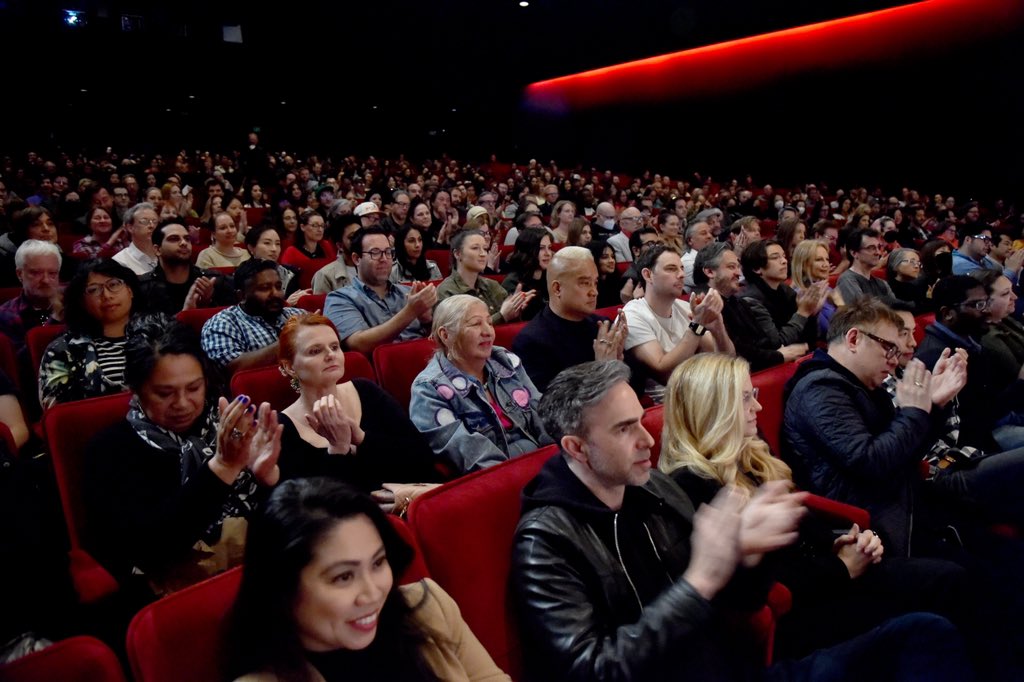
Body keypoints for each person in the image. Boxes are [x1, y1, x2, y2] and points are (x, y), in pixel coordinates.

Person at [512, 360, 972, 682]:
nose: (646, 439)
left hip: (735, 669)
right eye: (623, 428)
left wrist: (751, 557)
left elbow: (736, 605)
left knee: (925, 635)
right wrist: (700, 581)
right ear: (575, 448)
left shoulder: (653, 490)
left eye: (640, 421)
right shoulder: (545, 542)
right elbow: (597, 671)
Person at [659, 353, 969, 659]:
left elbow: (801, 527)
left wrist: (841, 542)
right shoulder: (693, 484)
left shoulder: (749, 456)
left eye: (752, 394)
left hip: (826, 579)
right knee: (939, 598)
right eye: (745, 399)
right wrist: (841, 566)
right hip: (799, 614)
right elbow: (759, 587)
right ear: (714, 410)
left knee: (950, 580)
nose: (758, 406)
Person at [224, 477, 511, 681]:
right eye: (344, 577)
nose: (373, 593)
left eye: (378, 562)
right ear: (281, 588)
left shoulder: (428, 607)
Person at [84, 322, 281, 593]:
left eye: (194, 388)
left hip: (261, 569)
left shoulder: (229, 424)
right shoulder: (109, 449)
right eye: (165, 393)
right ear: (136, 389)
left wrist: (268, 477)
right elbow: (150, 548)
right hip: (178, 592)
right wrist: (222, 467)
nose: (182, 403)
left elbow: (284, 518)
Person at [410, 295, 552, 474]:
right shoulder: (428, 388)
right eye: (476, 324)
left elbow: (541, 412)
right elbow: (469, 453)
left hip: (542, 463)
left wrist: (558, 456)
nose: (488, 332)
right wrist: (518, 476)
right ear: (445, 335)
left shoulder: (504, 359)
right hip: (497, 478)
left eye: (490, 323)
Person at [623, 244, 733, 402]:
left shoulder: (685, 307)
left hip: (701, 396)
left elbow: (727, 362)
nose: (681, 274)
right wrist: (697, 326)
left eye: (681, 268)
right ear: (648, 275)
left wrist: (718, 328)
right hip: (669, 406)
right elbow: (664, 372)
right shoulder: (633, 314)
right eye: (671, 269)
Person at [513, 246, 627, 392]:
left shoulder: (603, 327)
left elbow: (637, 387)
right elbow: (552, 407)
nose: (594, 292)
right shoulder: (531, 342)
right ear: (557, 289)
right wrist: (603, 370)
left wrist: (620, 359)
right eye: (585, 283)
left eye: (595, 282)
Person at [38, 259, 142, 409]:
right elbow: (59, 413)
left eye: (114, 285)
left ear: (130, 290)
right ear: (82, 301)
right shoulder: (62, 350)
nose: (106, 295)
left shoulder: (161, 333)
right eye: (93, 290)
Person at [325, 227, 436, 353]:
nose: (384, 259)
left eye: (388, 252)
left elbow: (436, 340)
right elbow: (358, 344)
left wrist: (426, 321)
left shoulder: (408, 292)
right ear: (357, 259)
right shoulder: (340, 299)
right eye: (375, 252)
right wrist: (411, 311)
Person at [200, 259, 305, 374]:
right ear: (241, 295)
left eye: (278, 287)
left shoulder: (297, 315)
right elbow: (232, 368)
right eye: (265, 288)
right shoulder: (223, 323)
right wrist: (288, 342)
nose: (275, 294)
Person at [738, 239, 824, 351]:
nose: (784, 261)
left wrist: (812, 314)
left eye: (783, 256)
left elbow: (810, 339)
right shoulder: (751, 301)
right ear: (757, 268)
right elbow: (778, 344)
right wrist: (803, 313)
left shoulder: (785, 290)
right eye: (775, 257)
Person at [137, 220, 237, 315]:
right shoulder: (142, 287)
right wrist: (186, 314)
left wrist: (208, 302)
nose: (184, 243)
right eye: (174, 239)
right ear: (157, 249)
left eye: (187, 239)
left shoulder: (214, 281)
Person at [436, 229, 532, 326]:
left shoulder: (492, 285)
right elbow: (460, 330)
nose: (483, 254)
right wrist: (502, 316)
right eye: (475, 248)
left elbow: (511, 324)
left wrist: (516, 308)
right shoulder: (446, 290)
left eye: (485, 249)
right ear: (457, 254)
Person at [0, 240, 63, 353]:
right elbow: (19, 363)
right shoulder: (5, 315)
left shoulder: (77, 304)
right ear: (20, 274)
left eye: (52, 273)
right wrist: (55, 319)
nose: (46, 280)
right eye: (36, 273)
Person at [791, 238, 844, 340]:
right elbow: (831, 332)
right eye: (819, 260)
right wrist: (840, 304)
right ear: (804, 264)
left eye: (827, 259)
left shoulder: (827, 289)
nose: (825, 264)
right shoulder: (802, 296)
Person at [244, 223, 309, 305]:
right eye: (267, 243)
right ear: (251, 247)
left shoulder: (291, 273)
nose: (274, 249)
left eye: (278, 244)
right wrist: (286, 304)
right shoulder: (243, 274)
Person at [836, 228, 896, 305]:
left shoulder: (882, 283)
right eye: (871, 248)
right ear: (854, 253)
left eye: (878, 247)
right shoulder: (847, 280)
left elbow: (896, 309)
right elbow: (863, 313)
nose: (878, 252)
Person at [501, 228, 551, 321]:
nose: (548, 253)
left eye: (549, 247)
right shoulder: (512, 282)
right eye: (541, 248)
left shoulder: (552, 277)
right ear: (528, 250)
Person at [281, 211, 336, 289]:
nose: (320, 229)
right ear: (302, 227)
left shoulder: (326, 245)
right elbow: (285, 280)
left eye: (322, 226)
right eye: (315, 225)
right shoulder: (291, 251)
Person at [112, 203, 161, 276]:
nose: (152, 226)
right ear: (130, 228)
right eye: (144, 221)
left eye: (155, 222)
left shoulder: (166, 254)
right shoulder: (120, 261)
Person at [586, 240, 624, 308]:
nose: (611, 261)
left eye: (612, 256)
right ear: (594, 260)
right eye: (605, 257)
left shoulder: (618, 281)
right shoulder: (588, 286)